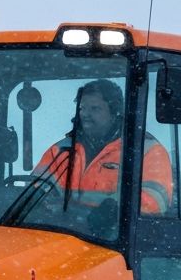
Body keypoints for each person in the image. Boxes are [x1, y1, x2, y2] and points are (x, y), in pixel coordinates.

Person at [34, 79, 173, 215]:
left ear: (115, 112)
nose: (85, 115)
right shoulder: (61, 150)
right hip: (61, 232)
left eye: (95, 109)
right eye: (82, 108)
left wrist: (106, 212)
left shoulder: (145, 151)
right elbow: (34, 191)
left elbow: (154, 201)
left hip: (114, 234)